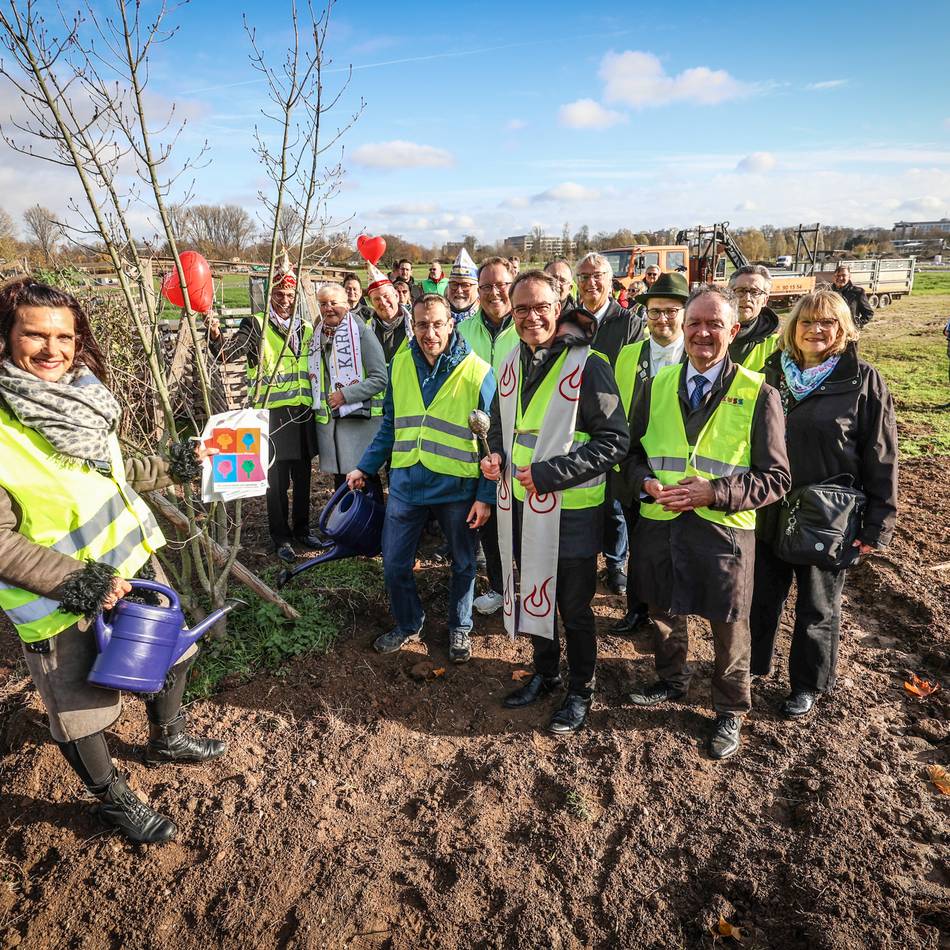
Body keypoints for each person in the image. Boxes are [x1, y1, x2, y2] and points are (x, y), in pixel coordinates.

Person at [0, 278, 225, 844]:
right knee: (81, 710)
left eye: (64, 337)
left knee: (173, 654)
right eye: (34, 335)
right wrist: (81, 582)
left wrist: (174, 463)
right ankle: (112, 798)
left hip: (132, 570)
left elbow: (115, 471)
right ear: (7, 338)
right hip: (63, 599)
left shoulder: (81, 397)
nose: (52, 350)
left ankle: (167, 735)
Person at [620, 285, 790, 760]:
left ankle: (730, 709)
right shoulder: (655, 387)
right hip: (660, 522)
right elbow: (630, 456)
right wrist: (645, 484)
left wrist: (714, 491)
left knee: (729, 623)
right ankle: (671, 681)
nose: (702, 333)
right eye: (694, 322)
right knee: (662, 610)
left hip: (724, 532)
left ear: (733, 331)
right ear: (682, 327)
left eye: (714, 324)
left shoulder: (759, 394)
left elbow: (776, 478)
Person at [482, 270, 629, 734]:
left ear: (560, 304)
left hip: (574, 511)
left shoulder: (590, 364)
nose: (531, 317)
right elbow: (506, 430)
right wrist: (496, 459)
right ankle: (545, 672)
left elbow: (613, 441)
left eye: (541, 306)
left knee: (573, 605)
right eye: (520, 308)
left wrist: (549, 474)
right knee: (533, 594)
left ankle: (581, 689)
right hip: (521, 506)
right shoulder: (510, 363)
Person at [750, 288, 897, 717]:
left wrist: (877, 524)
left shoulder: (862, 379)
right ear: (793, 328)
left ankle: (808, 683)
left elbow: (881, 454)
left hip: (828, 514)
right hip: (770, 505)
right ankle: (754, 666)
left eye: (827, 322)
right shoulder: (771, 373)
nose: (816, 330)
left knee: (817, 605)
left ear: (843, 329)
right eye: (807, 322)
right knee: (761, 594)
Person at [347, 294, 496, 663]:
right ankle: (408, 621)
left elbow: (491, 446)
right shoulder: (400, 364)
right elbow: (390, 426)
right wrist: (365, 467)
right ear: (412, 325)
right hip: (407, 484)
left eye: (437, 324)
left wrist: (485, 495)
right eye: (422, 324)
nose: (429, 332)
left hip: (457, 487)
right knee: (395, 562)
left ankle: (460, 628)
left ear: (451, 324)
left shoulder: (479, 372)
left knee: (463, 562)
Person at [208, 252, 319, 563]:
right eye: (280, 294)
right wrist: (216, 336)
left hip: (302, 413)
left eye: (290, 295)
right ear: (270, 294)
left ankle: (302, 529)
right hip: (271, 415)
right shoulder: (255, 324)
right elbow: (229, 353)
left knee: (304, 477)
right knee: (277, 483)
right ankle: (280, 536)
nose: (285, 300)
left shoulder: (307, 328)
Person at [611, 272, 688, 634]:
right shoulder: (629, 355)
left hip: (676, 466)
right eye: (655, 311)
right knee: (637, 542)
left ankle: (672, 615)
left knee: (671, 548)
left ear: (684, 314)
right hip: (633, 462)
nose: (662, 319)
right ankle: (636, 609)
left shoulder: (695, 355)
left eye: (671, 311)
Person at [574, 252, 646, 595]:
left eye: (597, 276)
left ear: (609, 280)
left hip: (614, 419)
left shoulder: (628, 322)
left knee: (615, 502)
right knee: (588, 497)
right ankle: (586, 557)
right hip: (578, 420)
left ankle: (617, 563)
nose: (591, 283)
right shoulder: (570, 322)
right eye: (584, 277)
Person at [458, 257, 519, 617]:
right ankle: (499, 586)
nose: (494, 292)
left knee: (524, 519)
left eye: (501, 285)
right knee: (490, 517)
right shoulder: (464, 330)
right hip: (480, 438)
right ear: (476, 291)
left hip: (522, 434)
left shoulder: (529, 325)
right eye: (486, 286)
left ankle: (531, 591)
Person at [311, 283, 388, 493]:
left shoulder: (361, 333)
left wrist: (346, 395)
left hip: (358, 424)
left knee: (365, 484)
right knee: (342, 487)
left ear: (346, 304)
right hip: (333, 426)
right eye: (323, 304)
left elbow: (380, 378)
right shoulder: (318, 336)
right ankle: (346, 526)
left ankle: (373, 526)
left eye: (334, 303)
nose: (329, 308)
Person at [728, 264, 780, 371]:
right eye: (741, 291)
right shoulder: (709, 332)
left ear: (765, 300)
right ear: (729, 295)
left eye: (755, 292)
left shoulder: (777, 345)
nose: (747, 298)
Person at [366, 263, 411, 364]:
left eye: (386, 296)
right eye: (377, 299)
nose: (383, 302)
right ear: (371, 303)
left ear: (396, 295)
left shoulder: (413, 325)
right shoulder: (365, 330)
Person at [446, 247, 479, 325]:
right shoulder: (438, 314)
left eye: (465, 285)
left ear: (477, 288)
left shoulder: (487, 317)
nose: (459, 290)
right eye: (454, 284)